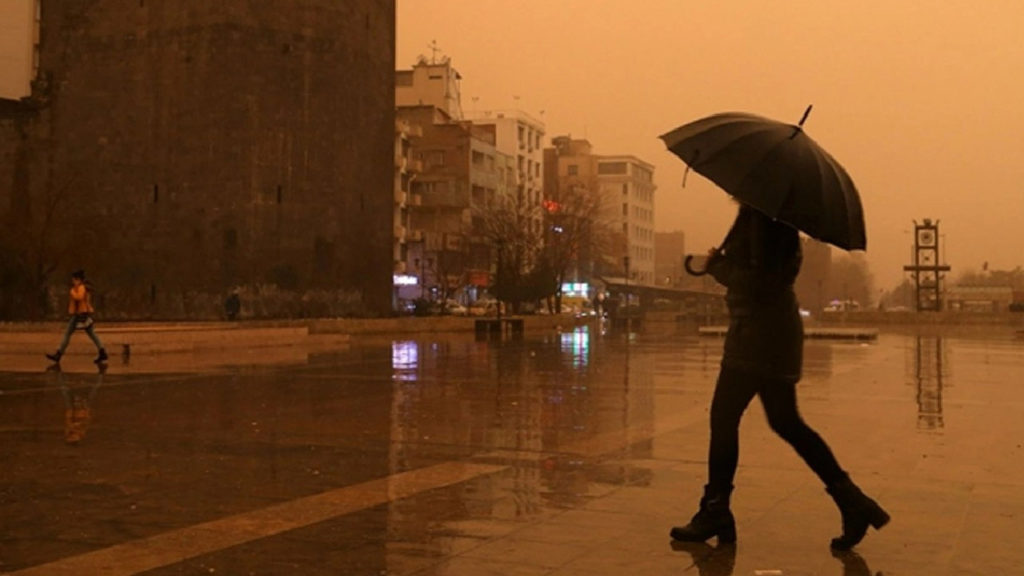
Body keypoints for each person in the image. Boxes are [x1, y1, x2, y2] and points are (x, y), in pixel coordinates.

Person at [670, 205, 889, 550]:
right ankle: (854, 502)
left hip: (758, 337)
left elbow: (762, 282)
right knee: (786, 422)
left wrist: (719, 267)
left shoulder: (765, 219)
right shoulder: (766, 216)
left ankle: (716, 510)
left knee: (725, 418)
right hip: (766, 333)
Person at [46, 270, 108, 365]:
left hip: (79, 314)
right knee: (92, 334)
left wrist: (72, 292)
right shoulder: (82, 287)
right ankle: (102, 351)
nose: (73, 282)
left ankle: (59, 354)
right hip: (82, 313)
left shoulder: (81, 288)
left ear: (78, 280)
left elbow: (79, 297)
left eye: (74, 280)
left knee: (67, 334)